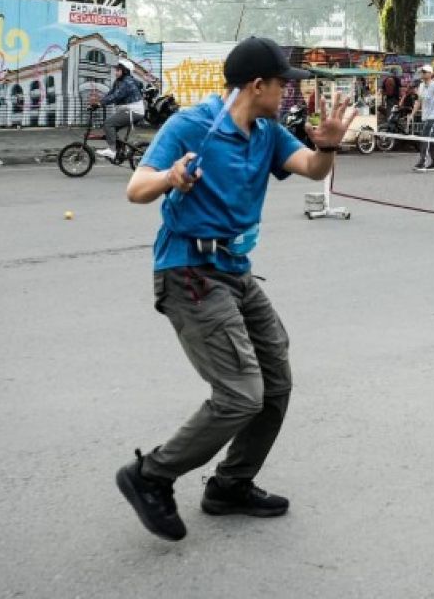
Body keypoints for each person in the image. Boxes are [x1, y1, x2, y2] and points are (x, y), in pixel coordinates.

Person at [115, 36, 356, 541]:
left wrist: (328, 145)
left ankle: (230, 485)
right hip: (190, 272)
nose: (288, 93)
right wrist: (170, 178)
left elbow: (312, 168)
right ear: (257, 85)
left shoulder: (266, 132)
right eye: (283, 84)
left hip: (235, 272)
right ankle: (151, 475)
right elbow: (137, 189)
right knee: (241, 395)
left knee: (276, 383)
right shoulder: (191, 126)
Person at [92, 62, 145, 162]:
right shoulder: (119, 81)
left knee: (109, 124)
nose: (115, 72)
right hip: (127, 110)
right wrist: (98, 103)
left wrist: (100, 104)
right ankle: (119, 150)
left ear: (125, 71)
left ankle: (112, 151)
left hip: (134, 111)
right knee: (111, 129)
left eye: (118, 70)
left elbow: (116, 96)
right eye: (116, 70)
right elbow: (110, 94)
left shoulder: (127, 82)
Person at [414, 65, 434, 172]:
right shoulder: (421, 86)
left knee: (425, 137)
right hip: (425, 116)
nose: (422, 73)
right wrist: (412, 114)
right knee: (430, 139)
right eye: (422, 72)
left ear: (430, 74)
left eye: (424, 72)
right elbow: (419, 101)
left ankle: (422, 162)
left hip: (433, 116)